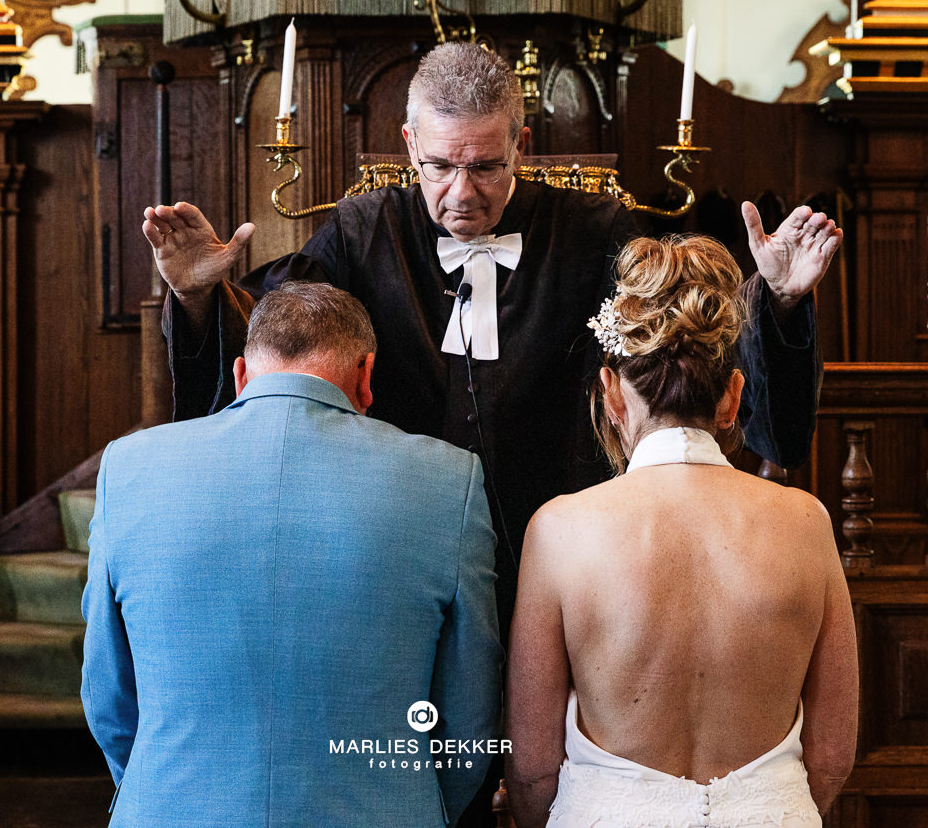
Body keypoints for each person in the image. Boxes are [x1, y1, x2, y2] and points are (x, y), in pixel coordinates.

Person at [144, 42, 841, 605]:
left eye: (485, 167)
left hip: (568, 536)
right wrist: (199, 297)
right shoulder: (363, 231)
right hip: (399, 542)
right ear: (409, 143)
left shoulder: (595, 230)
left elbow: (683, 334)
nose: (461, 193)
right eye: (439, 166)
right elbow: (278, 345)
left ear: (521, 145)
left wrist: (777, 301)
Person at [81, 282, 502, 827]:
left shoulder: (128, 468)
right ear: (366, 374)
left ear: (240, 375)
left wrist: (156, 793)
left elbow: (107, 695)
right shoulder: (449, 478)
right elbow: (472, 708)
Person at [504, 235, 859, 828]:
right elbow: (831, 758)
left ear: (612, 394)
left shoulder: (558, 530)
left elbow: (533, 768)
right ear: (732, 398)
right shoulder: (806, 523)